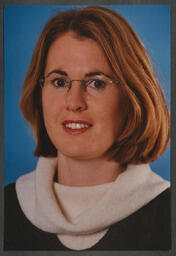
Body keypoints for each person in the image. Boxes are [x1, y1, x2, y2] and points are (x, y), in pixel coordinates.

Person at [4, 6, 170, 251]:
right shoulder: (7, 207)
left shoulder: (168, 214)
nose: (74, 102)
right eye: (59, 82)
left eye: (96, 83)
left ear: (132, 98)